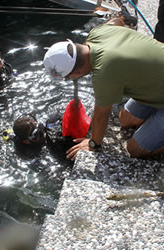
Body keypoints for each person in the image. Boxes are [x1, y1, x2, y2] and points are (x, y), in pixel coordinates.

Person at [43, 17, 164, 160]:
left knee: (134, 149)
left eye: (69, 77)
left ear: (76, 73)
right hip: (156, 82)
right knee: (125, 119)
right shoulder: (97, 33)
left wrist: (93, 144)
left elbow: (102, 114)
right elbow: (118, 21)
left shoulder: (104, 72)